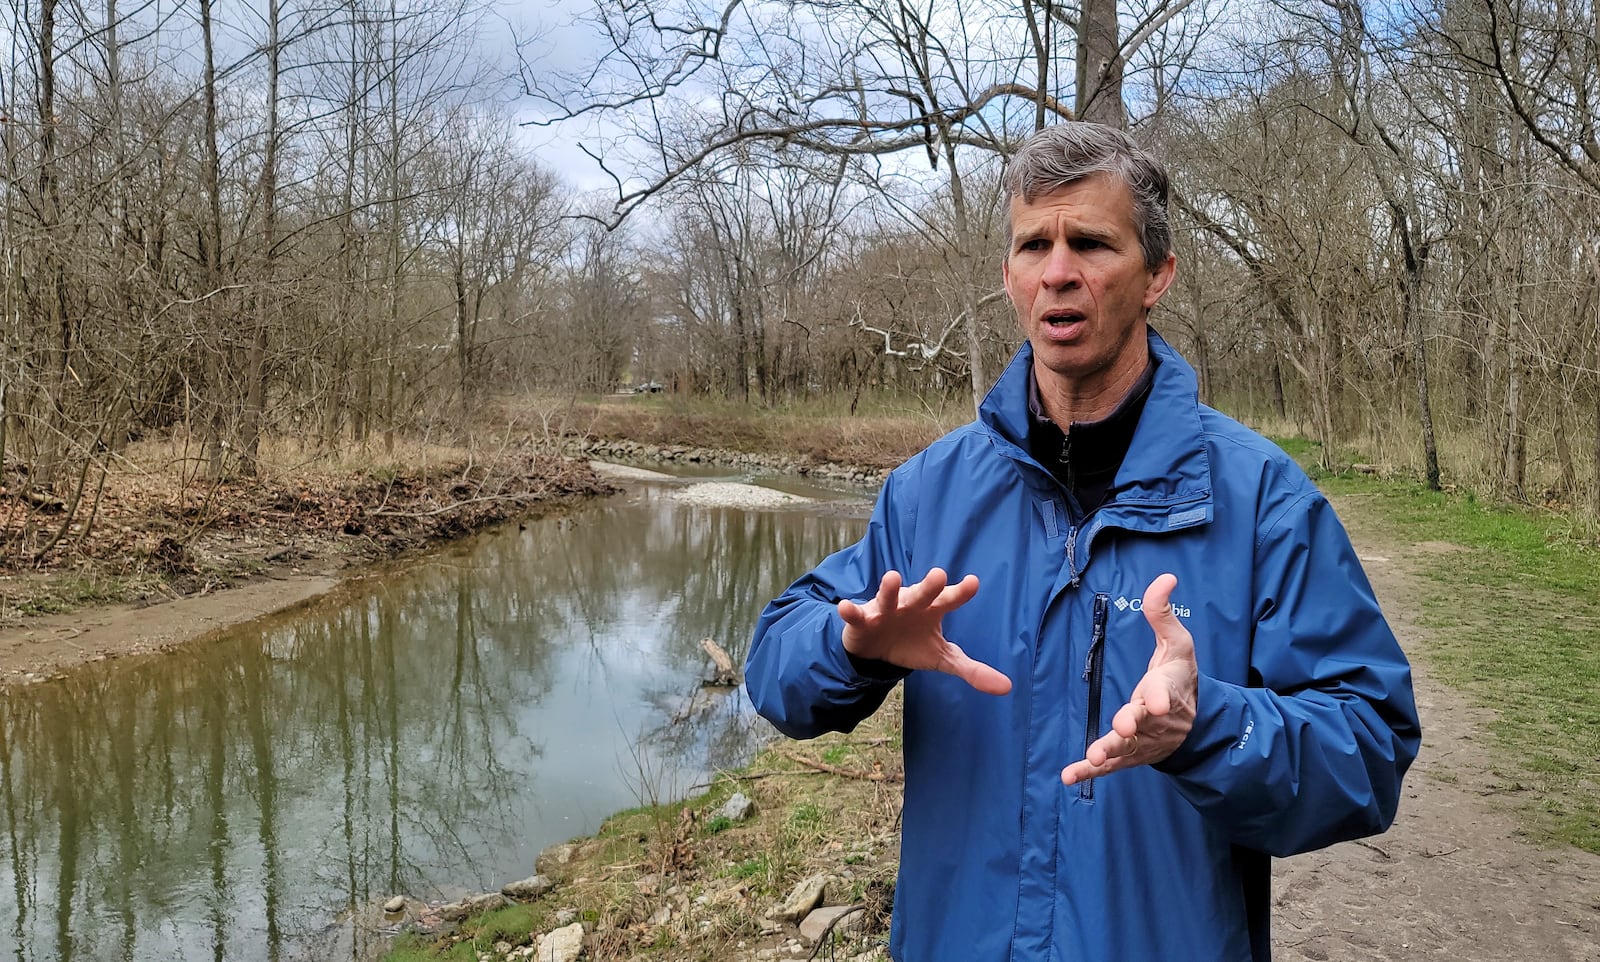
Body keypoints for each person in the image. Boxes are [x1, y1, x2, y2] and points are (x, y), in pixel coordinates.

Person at [743, 122, 1421, 962]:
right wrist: (852, 649)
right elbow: (775, 664)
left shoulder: (1261, 500)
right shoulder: (928, 493)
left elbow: (1370, 746)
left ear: (1157, 276)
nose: (1058, 271)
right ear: (1008, 278)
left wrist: (1208, 726)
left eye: (1092, 243)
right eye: (1034, 245)